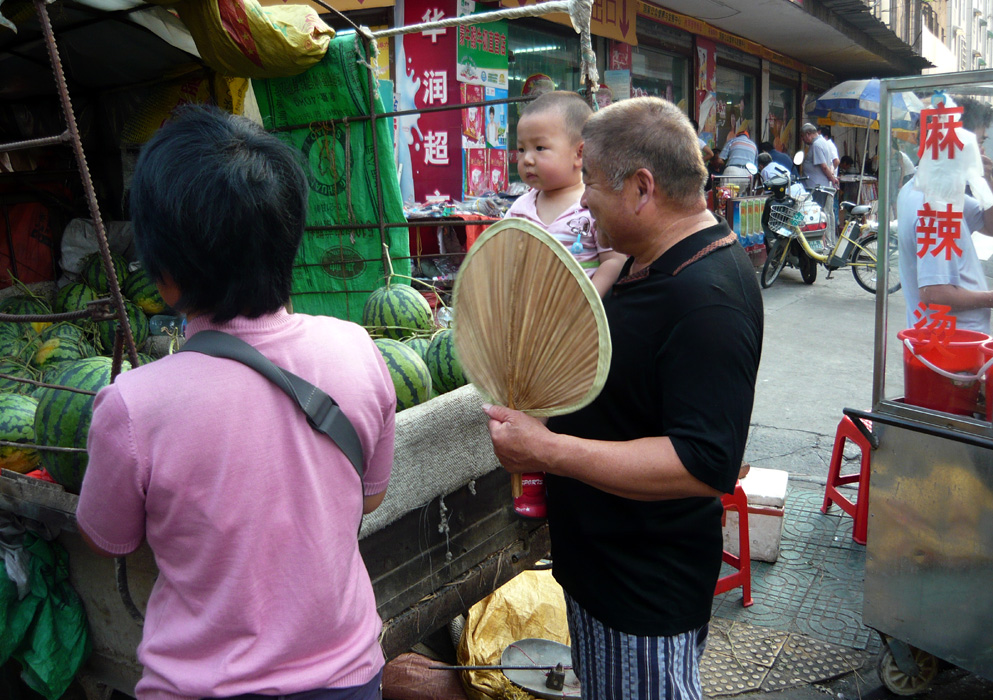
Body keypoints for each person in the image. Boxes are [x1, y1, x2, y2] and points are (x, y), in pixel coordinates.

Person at [76, 106, 396, 700]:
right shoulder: (358, 348)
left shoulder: (130, 407)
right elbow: (369, 497)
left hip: (203, 687)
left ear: (163, 275)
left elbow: (107, 537)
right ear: (289, 237)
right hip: (351, 676)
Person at [484, 97, 763, 700]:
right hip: (605, 574)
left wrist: (548, 449)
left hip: (643, 590)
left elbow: (700, 463)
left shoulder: (706, 298)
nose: (582, 202)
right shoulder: (649, 262)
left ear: (642, 188)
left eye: (593, 188)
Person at [508, 90, 625, 297]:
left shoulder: (592, 207)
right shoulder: (519, 210)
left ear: (580, 153)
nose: (527, 159)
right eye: (521, 149)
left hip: (579, 322)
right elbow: (501, 256)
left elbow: (614, 261)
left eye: (539, 147)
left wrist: (587, 302)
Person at [897, 96, 993, 334]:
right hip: (950, 347)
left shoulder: (929, 187)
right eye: (978, 143)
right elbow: (935, 293)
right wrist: (990, 298)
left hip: (947, 341)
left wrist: (986, 180)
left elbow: (991, 227)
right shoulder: (936, 205)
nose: (982, 151)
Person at [800, 122, 839, 250]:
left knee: (816, 215)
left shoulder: (816, 145)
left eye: (803, 137)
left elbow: (823, 165)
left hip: (816, 186)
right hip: (820, 185)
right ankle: (825, 243)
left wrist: (832, 178)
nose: (803, 140)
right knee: (824, 214)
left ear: (808, 134)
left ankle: (820, 244)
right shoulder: (824, 142)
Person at [717, 121, 758, 190]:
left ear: (737, 135)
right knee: (740, 198)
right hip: (747, 174)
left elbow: (719, 160)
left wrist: (727, 164)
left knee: (725, 196)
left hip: (732, 170)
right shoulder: (754, 146)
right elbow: (755, 167)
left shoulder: (732, 141)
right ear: (748, 137)